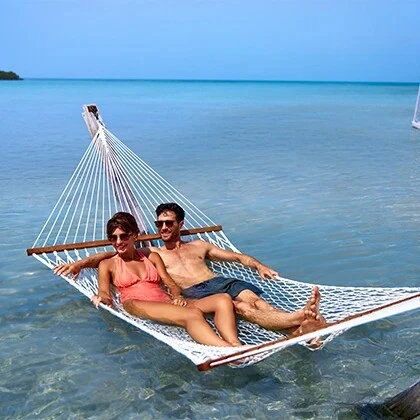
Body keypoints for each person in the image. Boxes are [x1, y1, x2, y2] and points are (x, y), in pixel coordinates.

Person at [55, 203, 326, 337]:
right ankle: (301, 322)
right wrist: (79, 263)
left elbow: (237, 257)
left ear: (180, 224)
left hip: (222, 281)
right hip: (197, 291)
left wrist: (258, 265)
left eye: (168, 223)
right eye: (159, 224)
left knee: (256, 302)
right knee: (244, 309)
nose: (163, 228)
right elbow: (115, 251)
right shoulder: (153, 251)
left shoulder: (200, 245)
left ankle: (300, 324)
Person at [87, 212, 241, 347]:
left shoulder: (152, 257)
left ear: (134, 235)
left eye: (124, 236)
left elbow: (169, 283)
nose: (118, 242)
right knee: (191, 315)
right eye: (113, 238)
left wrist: (177, 296)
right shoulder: (107, 264)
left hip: (164, 301)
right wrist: (102, 299)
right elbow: (105, 293)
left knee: (223, 299)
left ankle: (235, 344)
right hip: (135, 303)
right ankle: (227, 350)